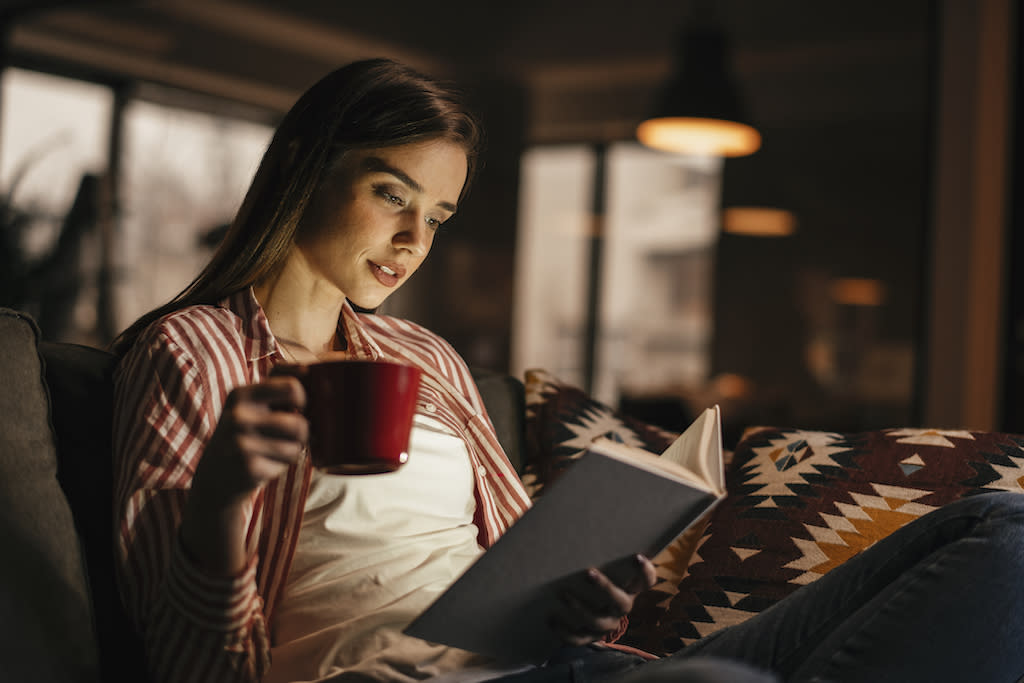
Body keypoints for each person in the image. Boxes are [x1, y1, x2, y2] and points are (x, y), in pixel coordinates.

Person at [110, 58, 1024, 683]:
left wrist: (586, 598)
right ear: (307, 169)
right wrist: (221, 498)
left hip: (565, 663)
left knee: (1002, 531)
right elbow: (191, 666)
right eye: (393, 193)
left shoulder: (425, 358)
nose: (412, 241)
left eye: (438, 214)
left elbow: (523, 569)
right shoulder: (193, 352)